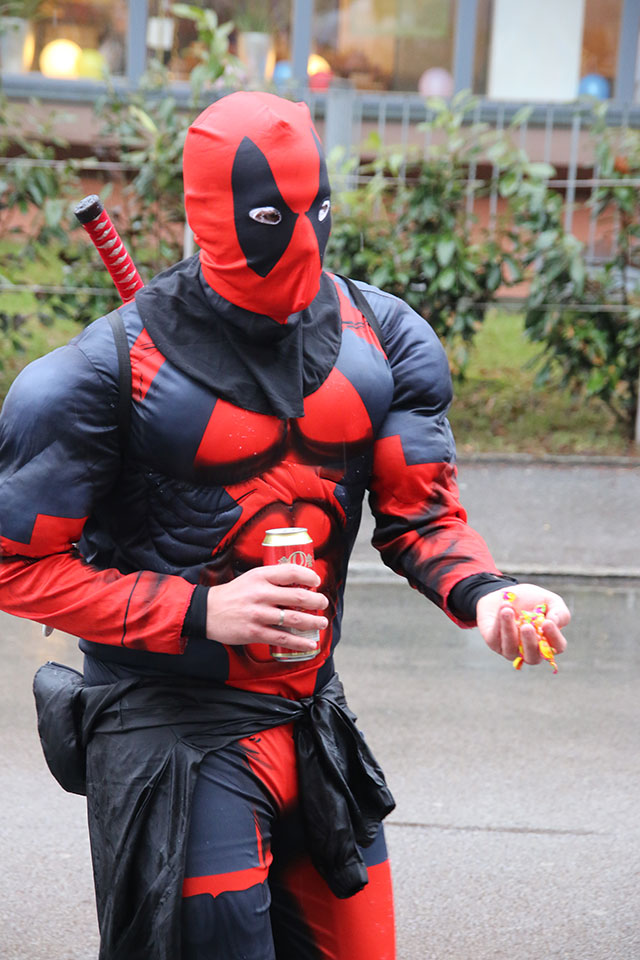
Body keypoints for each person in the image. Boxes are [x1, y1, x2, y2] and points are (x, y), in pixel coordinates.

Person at [0, 91, 570, 960]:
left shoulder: (385, 338)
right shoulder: (95, 376)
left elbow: (421, 514)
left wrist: (489, 594)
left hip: (311, 714)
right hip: (169, 727)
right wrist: (201, 611)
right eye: (271, 216)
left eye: (317, 210)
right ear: (211, 215)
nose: (303, 240)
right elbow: (12, 565)